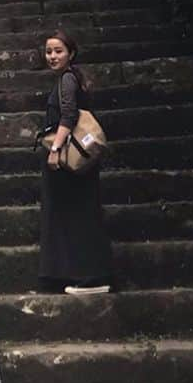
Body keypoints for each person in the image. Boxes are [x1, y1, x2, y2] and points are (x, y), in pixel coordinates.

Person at [37, 30, 114, 294]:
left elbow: (68, 116)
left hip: (69, 159)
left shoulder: (68, 80)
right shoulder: (71, 79)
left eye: (58, 51)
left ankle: (90, 276)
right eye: (49, 51)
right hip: (75, 162)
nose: (52, 56)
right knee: (76, 213)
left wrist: (55, 149)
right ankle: (77, 273)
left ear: (71, 53)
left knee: (77, 214)